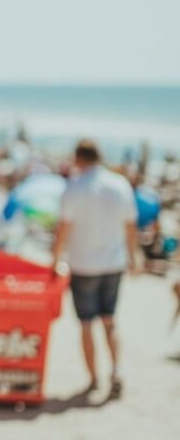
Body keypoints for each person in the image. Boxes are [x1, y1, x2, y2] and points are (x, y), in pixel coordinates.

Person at [51, 139, 140, 399]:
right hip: (113, 263)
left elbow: (63, 230)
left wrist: (55, 260)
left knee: (87, 323)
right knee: (110, 320)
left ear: (79, 158)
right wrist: (134, 258)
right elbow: (130, 226)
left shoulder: (75, 187)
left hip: (83, 264)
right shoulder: (120, 184)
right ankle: (117, 370)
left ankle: (93, 379)